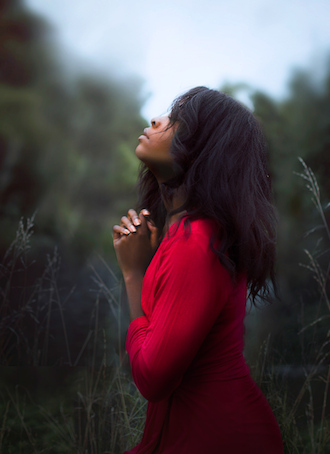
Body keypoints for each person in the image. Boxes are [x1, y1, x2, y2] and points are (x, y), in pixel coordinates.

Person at [112, 86, 283, 453]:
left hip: (218, 437)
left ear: (204, 150)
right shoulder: (188, 236)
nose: (156, 120)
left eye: (176, 122)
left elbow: (153, 378)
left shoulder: (196, 244)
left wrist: (132, 274)